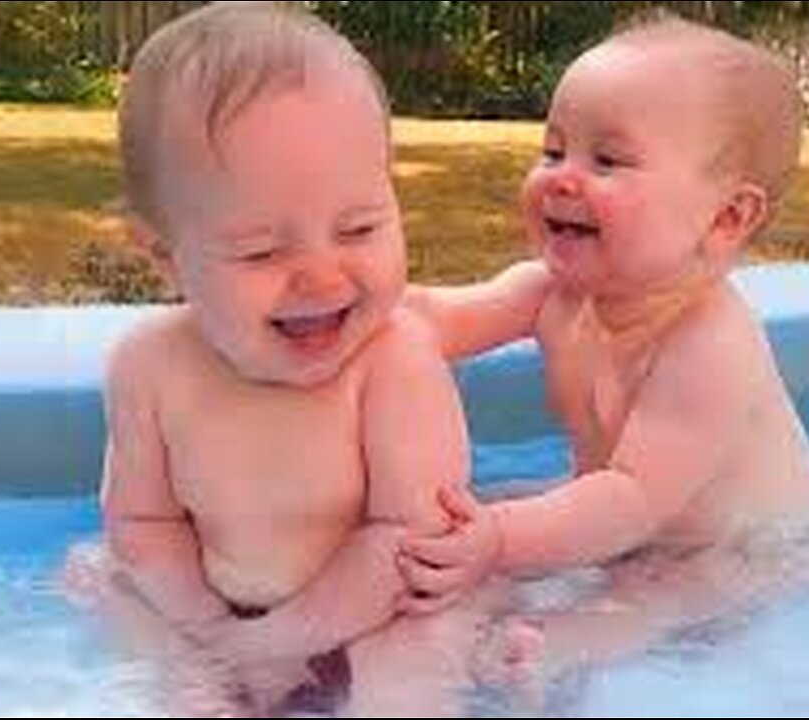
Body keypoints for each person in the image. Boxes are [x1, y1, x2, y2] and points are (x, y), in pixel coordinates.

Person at [61, 2, 548, 716]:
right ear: (166, 257)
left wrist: (280, 643)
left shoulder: (395, 361)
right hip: (225, 609)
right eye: (262, 251)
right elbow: (144, 524)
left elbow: (409, 540)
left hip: (389, 604)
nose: (322, 277)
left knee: (407, 667)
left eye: (359, 228)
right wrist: (210, 634)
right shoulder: (149, 368)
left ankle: (493, 660)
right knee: (104, 579)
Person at [399, 16, 809, 705]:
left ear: (726, 218)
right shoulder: (551, 293)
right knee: (478, 517)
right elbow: (434, 320)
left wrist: (495, 541)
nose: (562, 179)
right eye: (553, 150)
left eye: (606, 161)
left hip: (749, 547)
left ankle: (561, 646)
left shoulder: (708, 341)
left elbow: (633, 497)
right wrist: (347, 301)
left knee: (657, 598)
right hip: (627, 519)